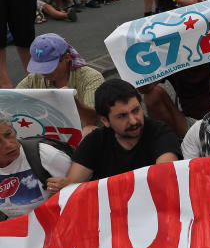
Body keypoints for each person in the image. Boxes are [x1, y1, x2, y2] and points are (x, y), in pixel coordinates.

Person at [47, 79, 181, 191]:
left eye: (136, 110)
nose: (133, 120)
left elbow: (166, 177)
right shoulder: (95, 141)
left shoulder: (160, 133)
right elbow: (70, 188)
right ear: (105, 120)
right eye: (122, 116)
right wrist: (63, 187)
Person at [17, 33, 104, 132]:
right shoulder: (33, 79)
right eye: (39, 66)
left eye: (49, 66)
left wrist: (72, 101)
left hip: (83, 137)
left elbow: (92, 120)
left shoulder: (92, 78)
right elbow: (11, 99)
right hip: (49, 137)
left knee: (90, 130)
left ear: (67, 57)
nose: (43, 72)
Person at [0, 113, 72, 220]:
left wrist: (68, 187)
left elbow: (85, 189)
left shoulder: (46, 155)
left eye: (8, 134)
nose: (8, 144)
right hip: (18, 232)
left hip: (60, 225)